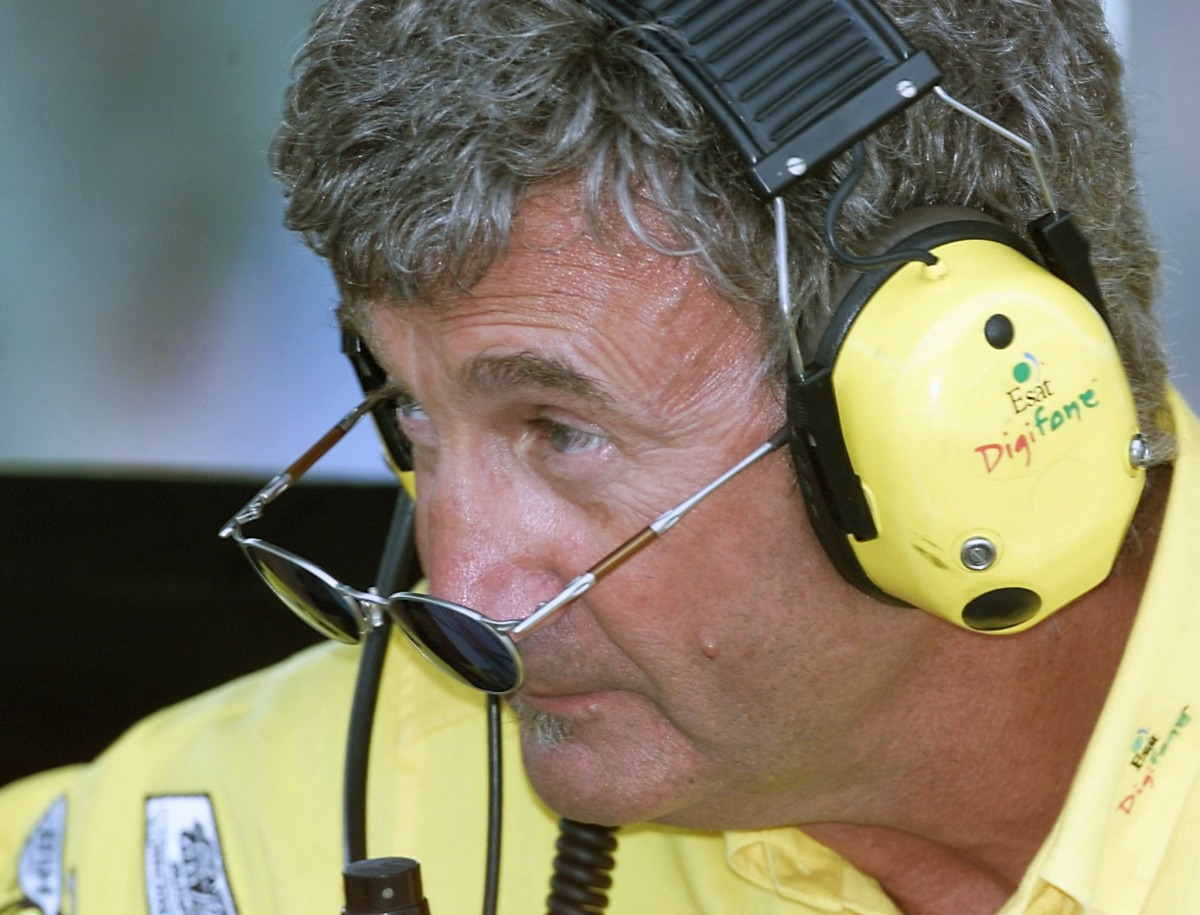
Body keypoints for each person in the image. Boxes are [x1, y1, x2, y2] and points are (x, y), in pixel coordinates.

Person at [2, 1, 1196, 913]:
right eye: (410, 413)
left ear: (962, 419)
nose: (455, 590)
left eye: (559, 432)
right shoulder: (307, 801)